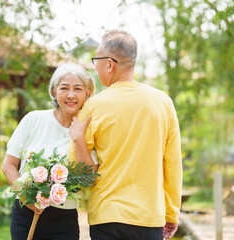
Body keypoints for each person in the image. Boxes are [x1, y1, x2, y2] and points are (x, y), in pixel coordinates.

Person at [68, 30, 182, 240]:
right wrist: (171, 212)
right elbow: (172, 164)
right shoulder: (163, 102)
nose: (95, 66)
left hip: (107, 216)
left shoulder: (93, 107)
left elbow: (77, 170)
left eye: (97, 60)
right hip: (149, 217)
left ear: (110, 64)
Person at [1, 63, 95, 240]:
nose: (71, 95)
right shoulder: (33, 119)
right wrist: (25, 196)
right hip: (26, 214)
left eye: (78, 89)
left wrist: (78, 138)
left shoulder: (89, 129)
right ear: (54, 92)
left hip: (64, 220)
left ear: (87, 93)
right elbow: (8, 165)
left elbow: (89, 178)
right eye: (64, 88)